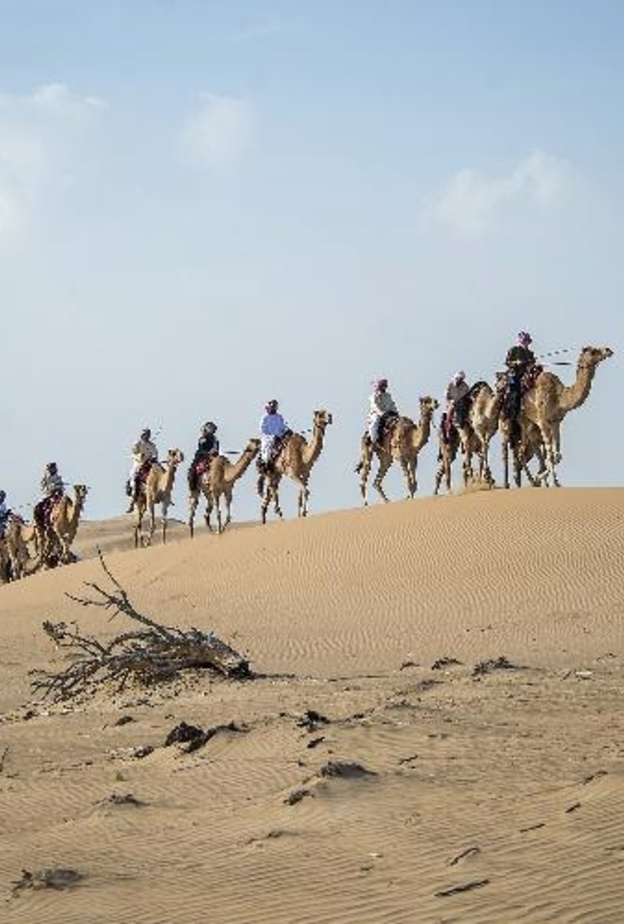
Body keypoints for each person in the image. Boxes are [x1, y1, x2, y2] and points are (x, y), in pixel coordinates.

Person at [504, 331, 537, 429]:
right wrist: (516, 363)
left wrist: (533, 365)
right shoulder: (513, 350)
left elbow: (531, 365)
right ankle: (510, 414)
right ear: (520, 341)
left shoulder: (530, 353)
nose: (525, 343)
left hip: (525, 375)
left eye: (527, 341)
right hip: (513, 374)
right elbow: (507, 362)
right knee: (514, 392)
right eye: (524, 341)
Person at [126, 427, 158, 512]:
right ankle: (132, 500)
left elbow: (155, 454)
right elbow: (133, 454)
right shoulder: (137, 443)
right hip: (139, 464)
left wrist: (153, 458)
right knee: (135, 477)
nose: (147, 436)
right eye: (145, 434)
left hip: (149, 464)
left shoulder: (152, 445)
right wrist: (140, 456)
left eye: (148, 434)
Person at [188, 421, 220, 491]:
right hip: (202, 456)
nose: (211, 429)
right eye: (209, 428)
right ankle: (193, 486)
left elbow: (217, 449)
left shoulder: (216, 439)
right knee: (193, 470)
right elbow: (201, 449)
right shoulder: (203, 439)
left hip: (214, 456)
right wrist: (208, 453)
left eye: (212, 428)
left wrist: (216, 453)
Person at [367, 378, 398, 447]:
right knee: (375, 422)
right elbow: (375, 407)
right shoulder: (373, 396)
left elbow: (392, 404)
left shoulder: (388, 395)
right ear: (379, 386)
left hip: (388, 414)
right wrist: (382, 414)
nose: (384, 387)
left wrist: (395, 413)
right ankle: (374, 441)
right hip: (376, 414)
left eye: (385, 386)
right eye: (382, 386)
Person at [259, 399, 288, 469]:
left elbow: (283, 427)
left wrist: (287, 431)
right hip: (268, 439)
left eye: (274, 407)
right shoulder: (265, 418)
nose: (273, 408)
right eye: (272, 407)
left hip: (279, 438)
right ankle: (266, 463)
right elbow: (263, 430)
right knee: (269, 449)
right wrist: (272, 437)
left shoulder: (279, 417)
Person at [34, 462, 64, 528]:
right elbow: (43, 487)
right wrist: (50, 488)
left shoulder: (58, 477)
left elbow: (61, 486)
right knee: (38, 508)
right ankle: (39, 523)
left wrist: (58, 488)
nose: (51, 470)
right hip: (48, 494)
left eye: (53, 468)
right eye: (50, 469)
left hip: (58, 494)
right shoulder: (45, 478)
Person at [444, 370, 471, 438]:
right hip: (452, 403)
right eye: (458, 379)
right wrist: (451, 401)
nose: (459, 380)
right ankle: (448, 429)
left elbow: (468, 395)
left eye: (461, 379)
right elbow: (446, 396)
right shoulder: (450, 385)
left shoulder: (465, 386)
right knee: (451, 409)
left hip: (462, 404)